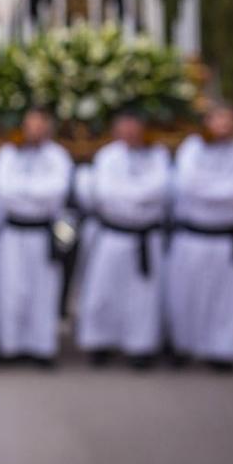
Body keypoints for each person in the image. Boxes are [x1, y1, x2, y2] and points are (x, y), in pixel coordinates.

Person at [164, 103, 233, 372]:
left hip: (225, 239)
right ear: (207, 121)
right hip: (192, 237)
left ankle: (222, 349)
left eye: (229, 121)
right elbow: (188, 185)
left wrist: (211, 192)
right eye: (219, 120)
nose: (224, 127)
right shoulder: (192, 148)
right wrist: (223, 192)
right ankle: (183, 345)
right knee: (186, 294)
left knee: (224, 299)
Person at [77, 112, 171, 368]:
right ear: (116, 130)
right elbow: (105, 193)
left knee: (143, 295)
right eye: (125, 128)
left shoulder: (157, 155)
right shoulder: (108, 156)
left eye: (134, 127)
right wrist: (139, 197)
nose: (130, 133)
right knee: (103, 291)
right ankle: (100, 342)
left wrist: (130, 196)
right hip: (114, 234)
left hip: (145, 236)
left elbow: (160, 188)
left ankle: (140, 346)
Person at [0, 109, 73, 365]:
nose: (34, 130)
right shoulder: (9, 154)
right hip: (13, 233)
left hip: (43, 233)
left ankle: (41, 348)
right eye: (30, 125)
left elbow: (56, 190)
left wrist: (24, 193)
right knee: (11, 289)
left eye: (40, 125)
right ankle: (10, 346)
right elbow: (3, 190)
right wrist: (34, 194)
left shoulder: (57, 156)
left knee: (43, 290)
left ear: (48, 128)